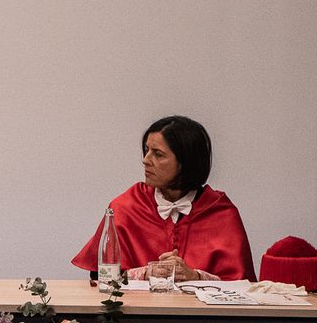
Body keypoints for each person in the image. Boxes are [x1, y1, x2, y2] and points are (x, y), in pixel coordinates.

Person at [72, 115, 255, 282]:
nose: (146, 160)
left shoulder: (220, 212)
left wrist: (195, 276)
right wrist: (145, 273)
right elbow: (99, 276)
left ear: (186, 162)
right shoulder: (126, 207)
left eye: (158, 154)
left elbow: (242, 286)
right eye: (146, 150)